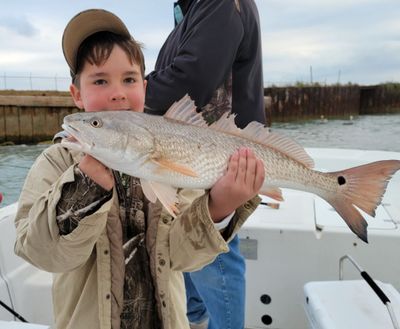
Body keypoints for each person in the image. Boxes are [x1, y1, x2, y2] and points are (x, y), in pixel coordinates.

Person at [13, 9, 264, 329]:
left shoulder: (170, 164)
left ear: (144, 89)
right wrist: (83, 186)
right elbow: (39, 252)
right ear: (77, 95)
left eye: (129, 79)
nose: (117, 91)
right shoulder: (56, 163)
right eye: (100, 80)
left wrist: (219, 208)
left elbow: (182, 256)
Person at [145, 0, 266, 328]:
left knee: (216, 256)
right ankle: (196, 319)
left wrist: (129, 90)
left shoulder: (219, 3)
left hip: (213, 161)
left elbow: (191, 78)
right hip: (192, 159)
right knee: (190, 256)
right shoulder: (192, 11)